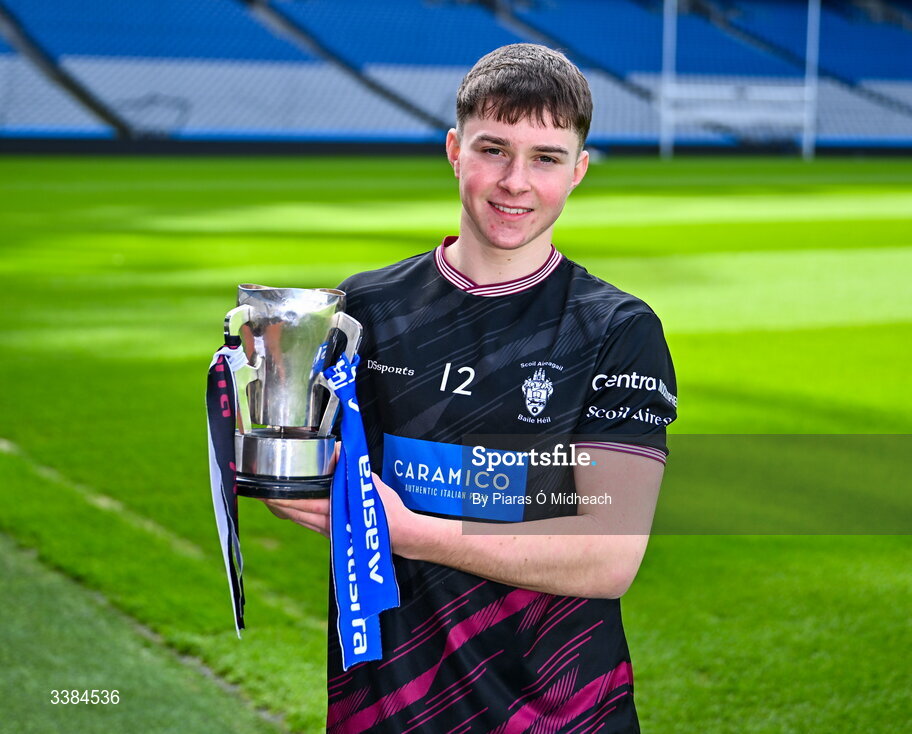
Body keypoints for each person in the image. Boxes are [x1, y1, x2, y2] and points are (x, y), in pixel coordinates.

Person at [265, 43, 677, 733]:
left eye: (545, 158)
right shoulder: (365, 309)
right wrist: (289, 477)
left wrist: (413, 532)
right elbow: (321, 480)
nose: (515, 181)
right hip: (385, 708)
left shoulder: (617, 330)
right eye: (494, 149)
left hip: (558, 715)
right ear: (455, 149)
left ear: (577, 171)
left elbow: (608, 557)